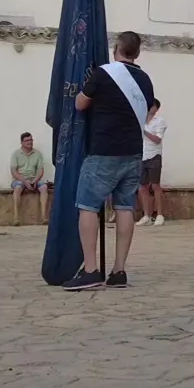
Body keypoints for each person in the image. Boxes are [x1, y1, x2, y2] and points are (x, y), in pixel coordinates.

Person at [63, 30, 156, 291]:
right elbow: (148, 108)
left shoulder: (104, 73)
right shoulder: (145, 80)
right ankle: (119, 270)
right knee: (125, 207)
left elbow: (80, 103)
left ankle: (91, 270)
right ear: (137, 53)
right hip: (133, 151)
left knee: (88, 206)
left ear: (116, 48)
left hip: (104, 150)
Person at [10, 132, 50, 225]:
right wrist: (24, 181)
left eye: (31, 140)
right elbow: (13, 171)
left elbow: (40, 170)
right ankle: (16, 217)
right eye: (27, 140)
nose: (30, 142)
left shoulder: (37, 154)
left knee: (44, 187)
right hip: (20, 180)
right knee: (17, 188)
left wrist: (35, 180)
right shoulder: (16, 154)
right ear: (22, 142)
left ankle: (43, 217)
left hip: (34, 179)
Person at [140, 99, 168, 226]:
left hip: (154, 155)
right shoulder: (140, 120)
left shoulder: (159, 122)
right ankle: (146, 215)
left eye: (152, 105)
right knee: (142, 187)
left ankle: (160, 214)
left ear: (156, 108)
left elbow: (157, 139)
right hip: (141, 155)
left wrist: (144, 131)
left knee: (155, 185)